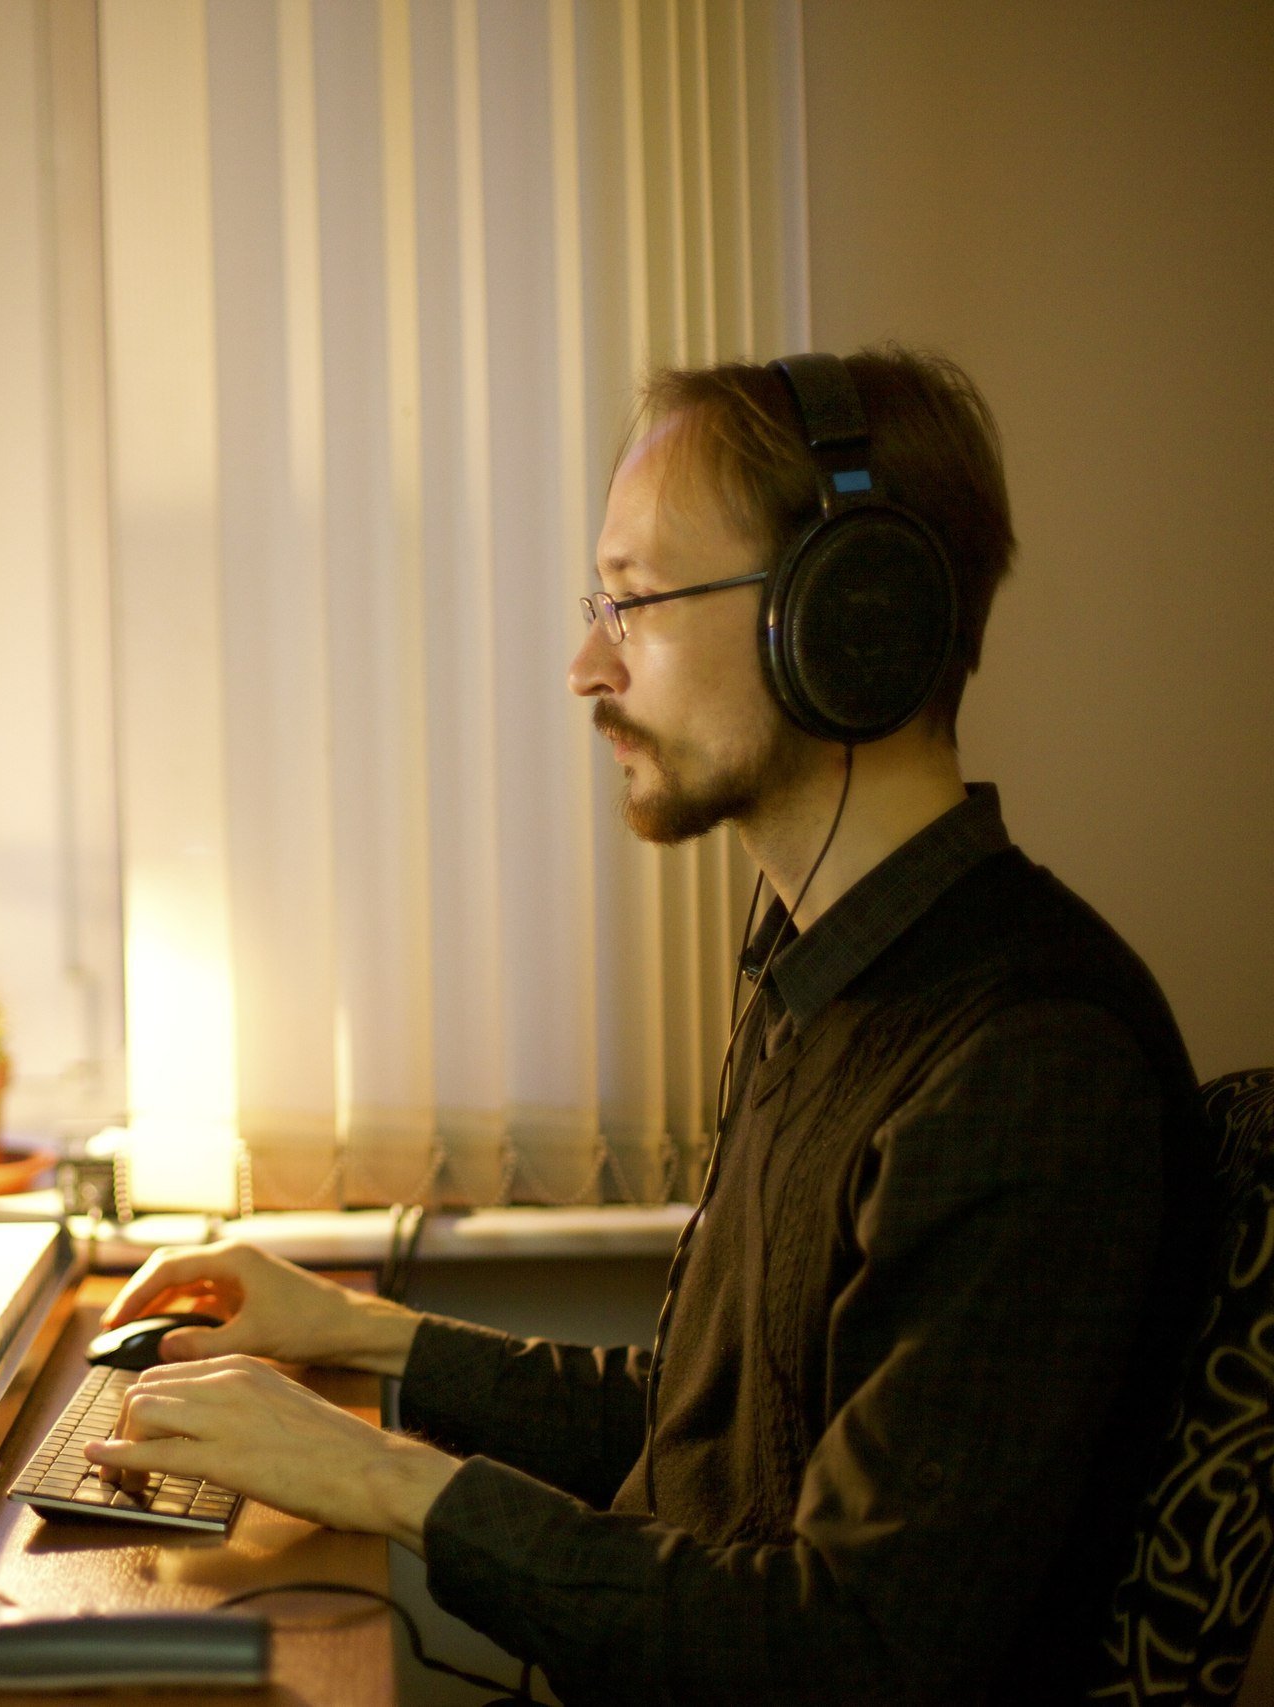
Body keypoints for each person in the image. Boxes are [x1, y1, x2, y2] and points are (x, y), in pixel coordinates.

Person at [87, 348, 1207, 1705]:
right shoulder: (823, 975)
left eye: (634, 603)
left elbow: (857, 1655)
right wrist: (359, 1335)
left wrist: (379, 1478)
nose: (584, 667)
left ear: (848, 616)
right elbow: (711, 1436)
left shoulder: (1025, 1067)